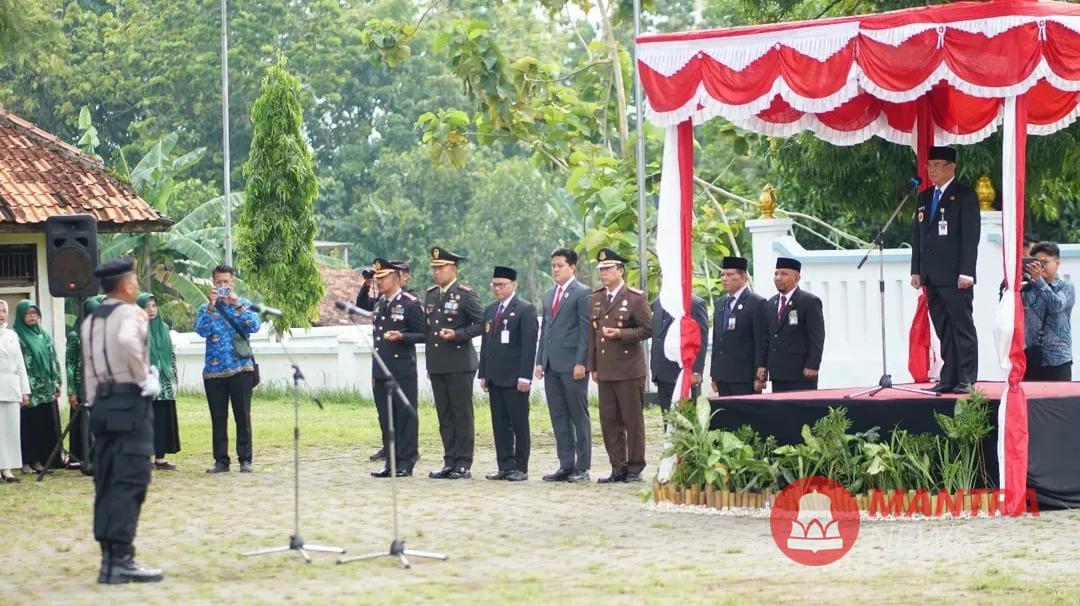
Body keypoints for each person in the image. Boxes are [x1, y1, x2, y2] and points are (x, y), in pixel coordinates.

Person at [82, 258, 163, 583]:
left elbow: (87, 364)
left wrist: (92, 402)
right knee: (131, 479)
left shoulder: (91, 320)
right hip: (129, 403)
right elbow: (129, 342)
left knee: (106, 480)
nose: (138, 287)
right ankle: (123, 560)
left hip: (101, 403)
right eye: (135, 281)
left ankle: (108, 560)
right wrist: (144, 378)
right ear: (127, 285)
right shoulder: (132, 312)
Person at [910, 146, 980, 394]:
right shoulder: (925, 197)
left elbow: (970, 237)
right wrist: (916, 270)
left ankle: (967, 377)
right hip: (931, 275)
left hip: (955, 276)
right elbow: (919, 236)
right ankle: (949, 376)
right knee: (943, 328)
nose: (932, 170)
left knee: (961, 327)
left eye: (938, 165)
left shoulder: (964, 195)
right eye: (930, 165)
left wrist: (967, 272)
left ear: (952, 167)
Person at [587, 248, 652, 483]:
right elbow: (591, 336)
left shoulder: (635, 297)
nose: (603, 273)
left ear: (620, 271)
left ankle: (635, 468)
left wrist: (622, 333)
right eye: (601, 269)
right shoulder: (596, 298)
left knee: (632, 420)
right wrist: (592, 366)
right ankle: (617, 466)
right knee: (609, 421)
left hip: (628, 370)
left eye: (608, 269)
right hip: (605, 370)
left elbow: (647, 329)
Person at [424, 246, 484, 480]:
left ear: (453, 269)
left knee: (461, 413)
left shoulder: (465, 294)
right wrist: (430, 364)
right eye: (434, 268)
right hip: (438, 364)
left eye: (441, 268)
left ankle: (463, 462)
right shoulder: (430, 294)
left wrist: (458, 334)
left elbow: (481, 324)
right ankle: (449, 460)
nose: (437, 273)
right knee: (444, 414)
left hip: (460, 363)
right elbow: (428, 331)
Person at [195, 264, 261, 473]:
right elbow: (201, 330)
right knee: (218, 417)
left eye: (226, 282)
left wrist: (237, 305)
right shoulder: (205, 309)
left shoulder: (244, 304)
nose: (222, 285)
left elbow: (254, 326)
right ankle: (221, 461)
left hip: (241, 368)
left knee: (242, 415)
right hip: (214, 372)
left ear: (233, 283)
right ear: (213, 283)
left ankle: (245, 459)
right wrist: (212, 306)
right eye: (218, 282)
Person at [534, 248, 592, 483]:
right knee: (558, 415)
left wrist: (581, 362)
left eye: (560, 265)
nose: (555, 269)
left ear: (572, 267)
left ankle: (583, 466)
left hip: (572, 365)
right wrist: (540, 360)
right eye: (553, 265)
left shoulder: (582, 293)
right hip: (551, 364)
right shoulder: (549, 295)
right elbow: (545, 329)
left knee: (578, 416)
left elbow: (585, 331)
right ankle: (565, 464)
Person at [478, 266, 539, 482]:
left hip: (515, 378)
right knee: (500, 423)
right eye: (494, 284)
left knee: (519, 423)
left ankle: (520, 467)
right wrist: (483, 373)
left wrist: (525, 376)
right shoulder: (490, 309)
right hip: (495, 377)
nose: (497, 288)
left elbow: (528, 346)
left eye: (502, 284)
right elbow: (486, 344)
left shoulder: (524, 309)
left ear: (514, 285)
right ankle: (504, 464)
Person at [369, 259, 426, 478]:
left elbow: (423, 334)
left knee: (404, 417)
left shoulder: (409, 303)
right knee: (386, 418)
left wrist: (402, 336)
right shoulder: (379, 304)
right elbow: (376, 342)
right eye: (377, 278)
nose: (379, 282)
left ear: (395, 278)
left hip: (402, 371)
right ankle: (391, 462)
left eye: (382, 278)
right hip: (381, 370)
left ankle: (406, 461)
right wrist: (374, 372)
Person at [14, 299, 62, 473]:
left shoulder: (43, 334)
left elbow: (53, 358)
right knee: (28, 426)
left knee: (44, 424)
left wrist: (57, 381)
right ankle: (27, 461)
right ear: (21, 315)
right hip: (29, 389)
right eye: (28, 313)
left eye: (35, 313)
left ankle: (41, 461)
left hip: (46, 387)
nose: (32, 316)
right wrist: (21, 388)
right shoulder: (17, 336)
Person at [763, 257, 825, 393]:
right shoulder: (772, 303)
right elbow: (768, 337)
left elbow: (817, 336)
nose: (778, 278)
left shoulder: (809, 301)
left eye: (784, 274)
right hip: (778, 374)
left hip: (801, 373)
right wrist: (764, 366)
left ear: (797, 278)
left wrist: (813, 365)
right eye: (776, 273)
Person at [711, 256, 769, 396]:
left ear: (743, 277)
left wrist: (760, 375)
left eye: (730, 274)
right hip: (723, 376)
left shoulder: (756, 303)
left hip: (745, 377)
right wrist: (714, 374)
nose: (724, 278)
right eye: (723, 274)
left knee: (747, 417)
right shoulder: (720, 303)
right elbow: (717, 340)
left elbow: (761, 341)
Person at [137, 293, 180, 470]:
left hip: (165, 383)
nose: (151, 310)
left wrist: (174, 379)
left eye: (154, 306)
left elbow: (171, 356)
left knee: (163, 419)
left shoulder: (163, 327)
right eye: (146, 306)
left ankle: (160, 457)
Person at [1022, 242, 1075, 381]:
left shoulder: (1066, 287)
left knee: (1059, 402)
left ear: (1057, 263)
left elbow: (1056, 305)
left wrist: (1039, 280)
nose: (1040, 266)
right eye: (1036, 262)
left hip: (1058, 360)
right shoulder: (1028, 288)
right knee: (1030, 402)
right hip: (1031, 359)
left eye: (1044, 262)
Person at [650, 294, 707, 414]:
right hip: (662, 372)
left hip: (684, 373)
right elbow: (657, 336)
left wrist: (696, 371)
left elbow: (701, 340)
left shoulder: (694, 303)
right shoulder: (658, 302)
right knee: (668, 418)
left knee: (686, 420)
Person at [66, 296, 105, 470]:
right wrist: (72, 390)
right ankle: (80, 458)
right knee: (82, 422)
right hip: (82, 385)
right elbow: (70, 364)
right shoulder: (75, 335)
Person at [0, 300, 30, 482]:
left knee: (11, 428)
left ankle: (7, 468)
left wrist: (24, 390)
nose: (1, 314)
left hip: (11, 386)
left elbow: (20, 365)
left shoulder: (12, 335)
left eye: (3, 310)